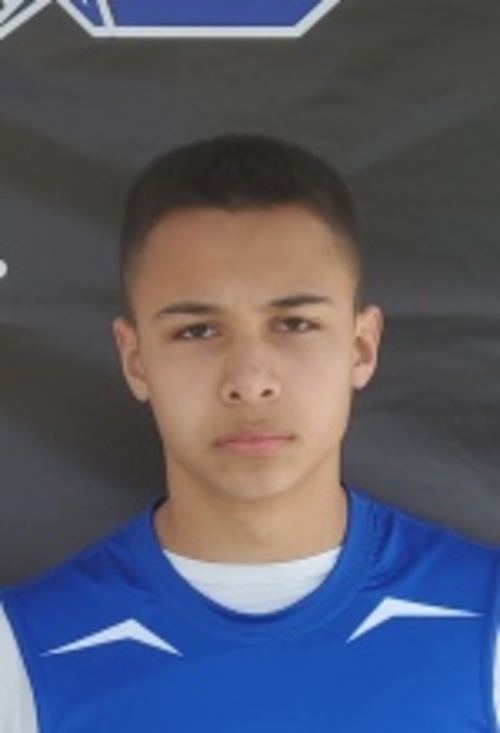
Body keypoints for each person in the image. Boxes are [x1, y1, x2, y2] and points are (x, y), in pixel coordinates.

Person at [1, 134, 499, 733]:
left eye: (294, 323)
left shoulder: (487, 622)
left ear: (362, 347)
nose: (249, 381)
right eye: (197, 331)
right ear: (135, 361)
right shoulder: (21, 654)